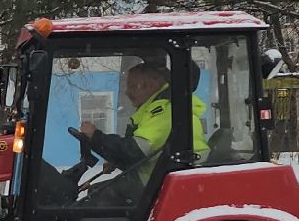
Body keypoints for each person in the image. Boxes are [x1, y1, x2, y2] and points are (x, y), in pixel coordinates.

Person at [80, 62, 208, 183]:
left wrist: (96, 136)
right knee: (98, 193)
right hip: (158, 179)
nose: (127, 92)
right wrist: (117, 160)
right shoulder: (158, 110)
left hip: (166, 183)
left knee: (99, 200)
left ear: (151, 86)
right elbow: (142, 155)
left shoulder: (166, 113)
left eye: (132, 86)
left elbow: (134, 152)